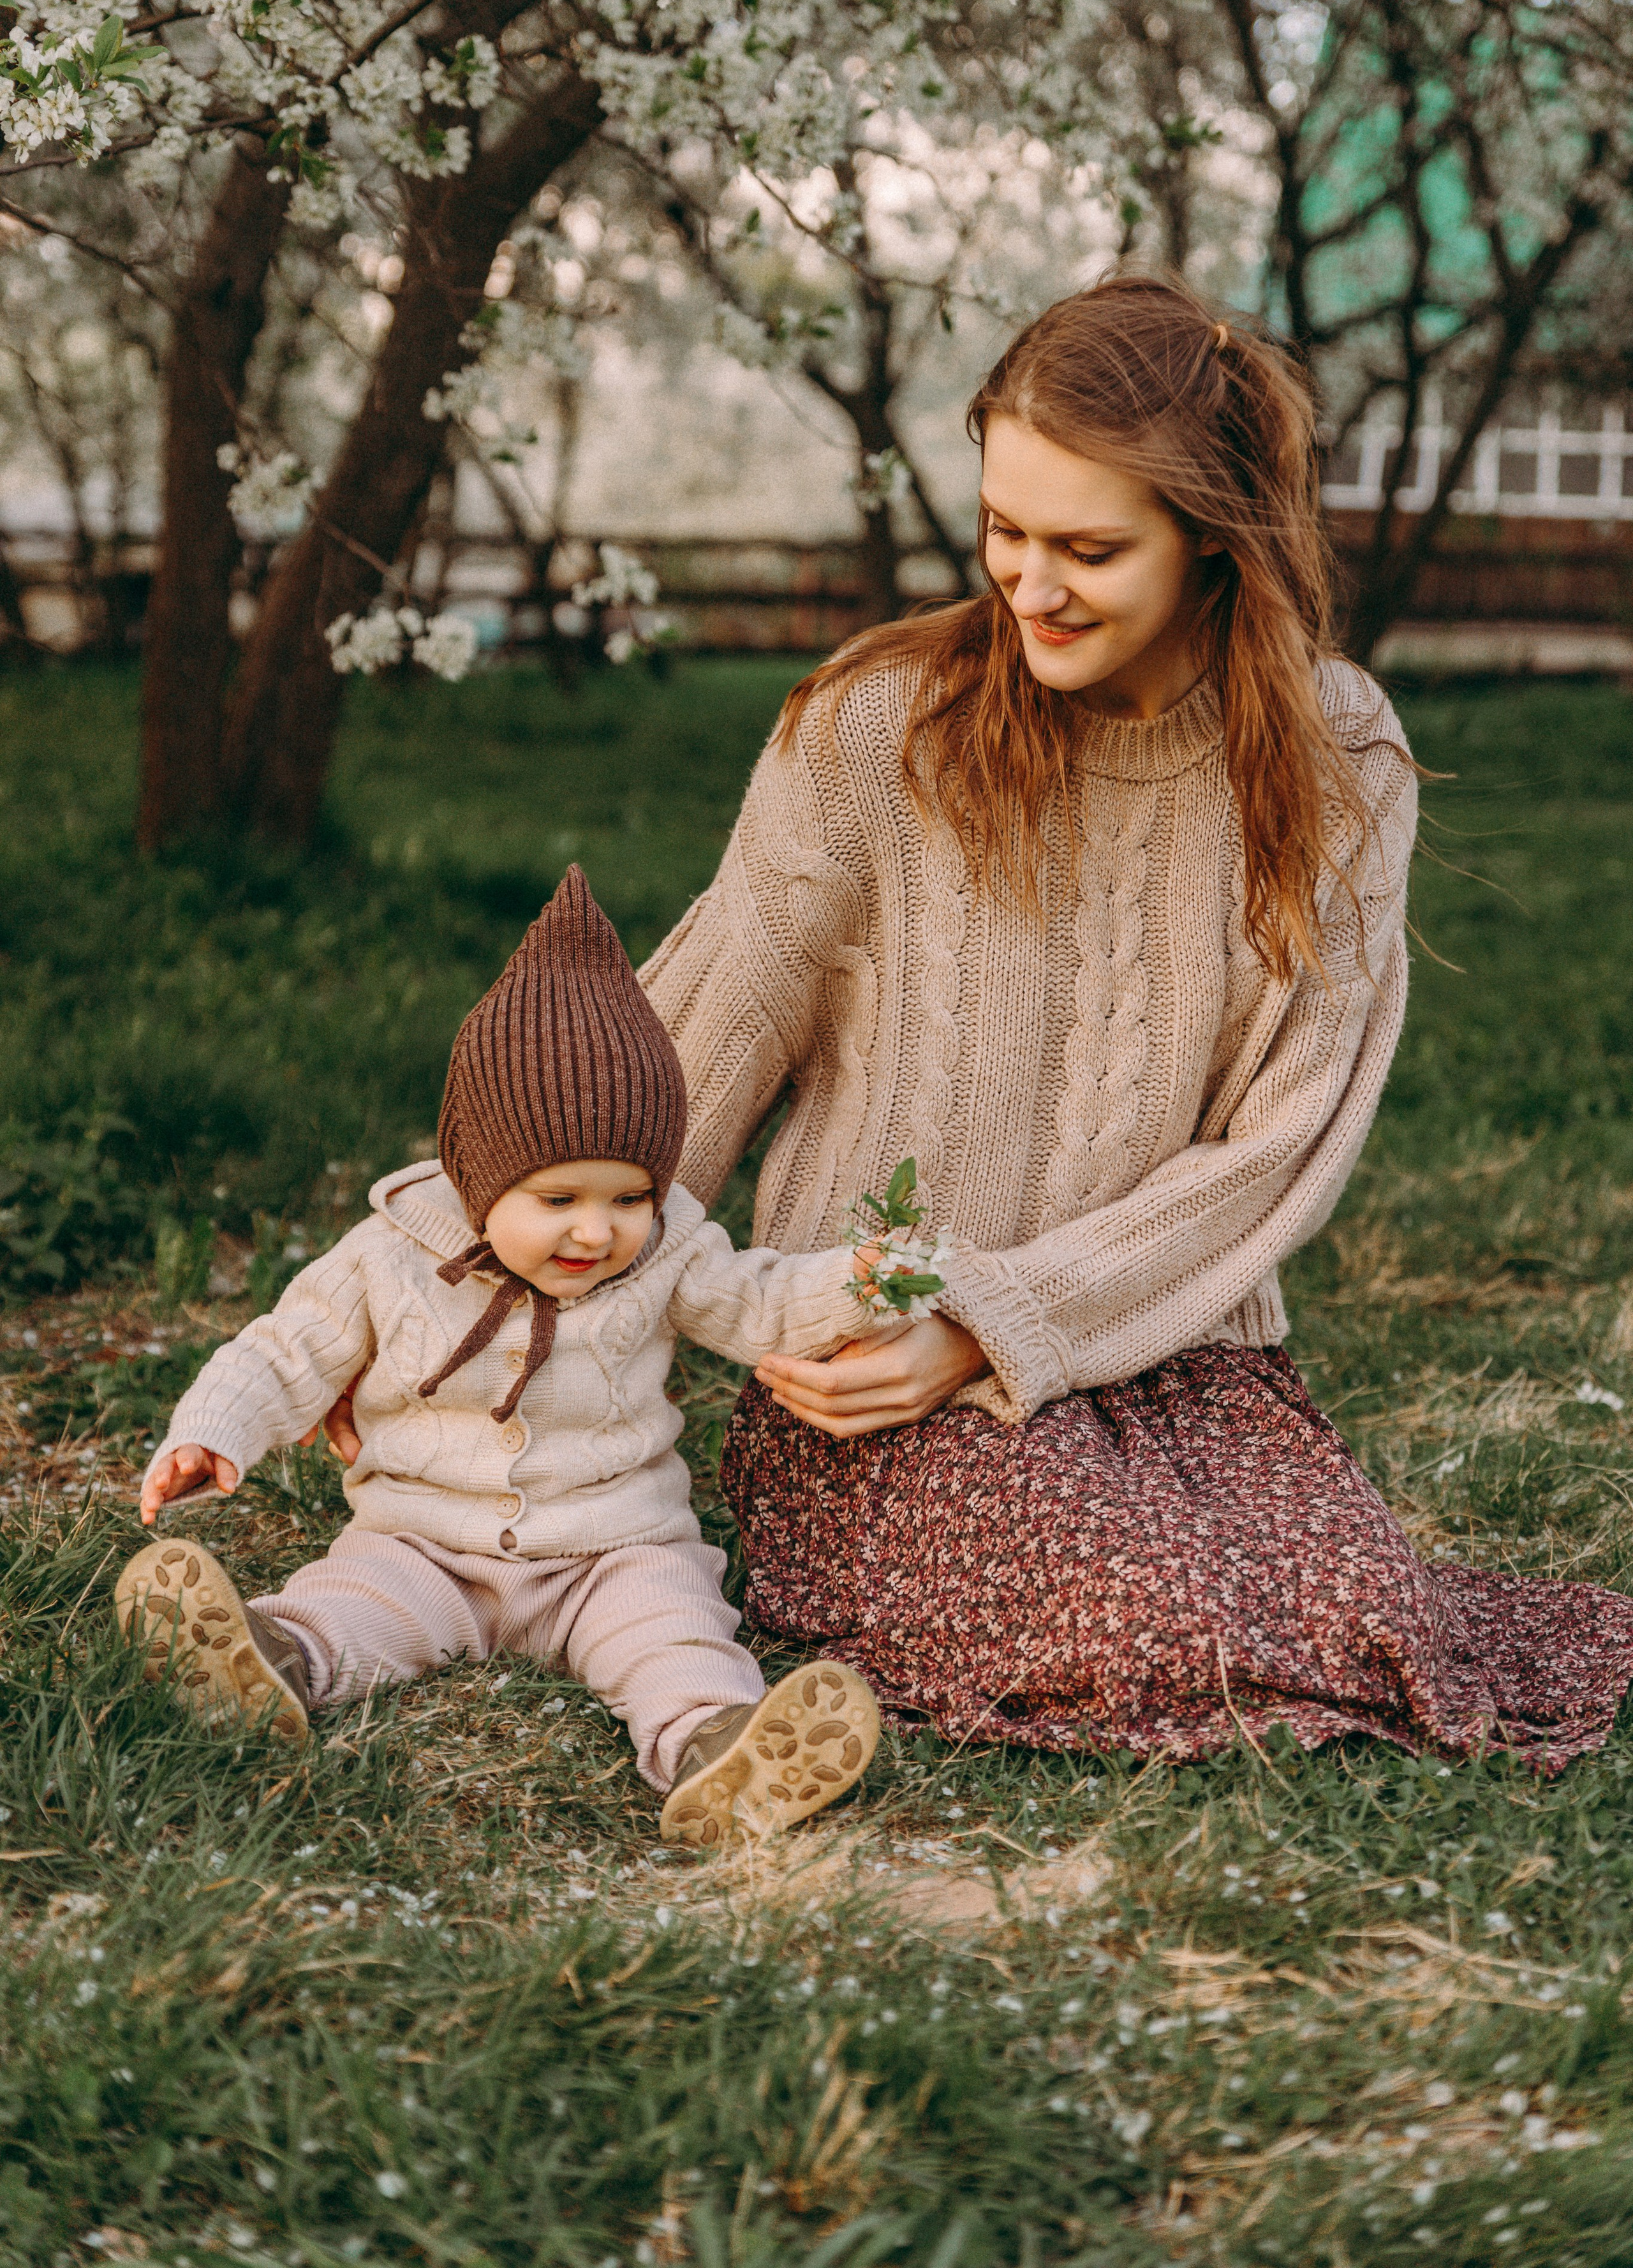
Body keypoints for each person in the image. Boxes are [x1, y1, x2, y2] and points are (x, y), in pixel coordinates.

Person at [631, 276, 1633, 1773]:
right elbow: (683, 1057)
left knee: (1370, 1626)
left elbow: (1279, 1145)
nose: (1027, 585)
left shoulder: (1339, 756)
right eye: (1003, 531)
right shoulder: (872, 730)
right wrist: (466, 1299)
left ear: (1211, 537)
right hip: (873, 1365)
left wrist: (1002, 1320)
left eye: (1087, 550)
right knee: (1140, 1622)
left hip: (1174, 1353)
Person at [115, 867, 883, 1849]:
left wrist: (865, 1283)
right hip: (423, 1541)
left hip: (610, 1549)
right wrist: (212, 1430)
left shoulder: (671, 1251)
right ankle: (270, 1659)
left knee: (671, 1631)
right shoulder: (393, 1253)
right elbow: (287, 1347)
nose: (597, 1231)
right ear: (478, 1178)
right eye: (559, 1200)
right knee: (353, 1605)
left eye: (630, 1197)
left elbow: (760, 1301)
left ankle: (716, 1747)